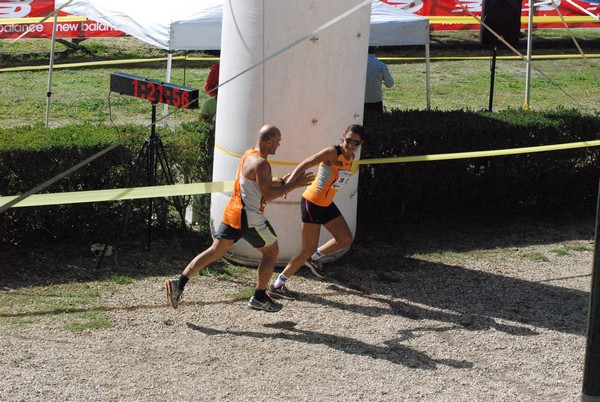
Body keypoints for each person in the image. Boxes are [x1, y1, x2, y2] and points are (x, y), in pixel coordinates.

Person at [165, 124, 314, 312]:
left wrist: (284, 182)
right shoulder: (261, 164)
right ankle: (259, 297)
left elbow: (261, 184)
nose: (278, 145)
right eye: (277, 142)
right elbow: (267, 194)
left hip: (233, 212)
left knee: (215, 252)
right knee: (271, 252)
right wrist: (295, 185)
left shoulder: (249, 155)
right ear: (268, 142)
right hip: (249, 217)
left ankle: (180, 281)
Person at [268, 124, 366, 300]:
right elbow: (307, 162)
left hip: (326, 203)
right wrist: (290, 183)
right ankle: (278, 285)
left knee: (345, 239)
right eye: (348, 140)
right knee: (306, 248)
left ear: (360, 144)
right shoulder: (332, 152)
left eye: (355, 143)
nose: (350, 145)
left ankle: (314, 258)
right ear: (343, 136)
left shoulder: (349, 157)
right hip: (312, 203)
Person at [364, 47, 394, 118]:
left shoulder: (357, 64)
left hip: (360, 102)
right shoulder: (381, 65)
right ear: (376, 50)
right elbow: (390, 84)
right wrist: (382, 80)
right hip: (375, 101)